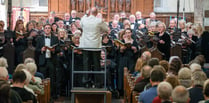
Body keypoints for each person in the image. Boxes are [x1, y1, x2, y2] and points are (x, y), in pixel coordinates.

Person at [79, 7, 108, 88]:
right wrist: (100, 31)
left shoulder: (84, 19)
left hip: (86, 46)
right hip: (95, 46)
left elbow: (80, 25)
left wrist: (86, 14)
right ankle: (97, 83)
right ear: (96, 13)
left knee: (86, 65)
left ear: (89, 12)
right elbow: (106, 29)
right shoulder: (98, 20)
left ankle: (86, 83)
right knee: (96, 65)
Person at [36, 24, 59, 99]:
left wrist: (53, 50)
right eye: (46, 28)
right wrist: (41, 50)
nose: (47, 29)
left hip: (52, 61)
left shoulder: (55, 38)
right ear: (44, 30)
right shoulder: (39, 39)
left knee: (52, 79)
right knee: (43, 79)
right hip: (43, 61)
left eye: (49, 28)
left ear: (51, 30)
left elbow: (58, 49)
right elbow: (36, 50)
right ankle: (43, 95)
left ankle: (51, 95)